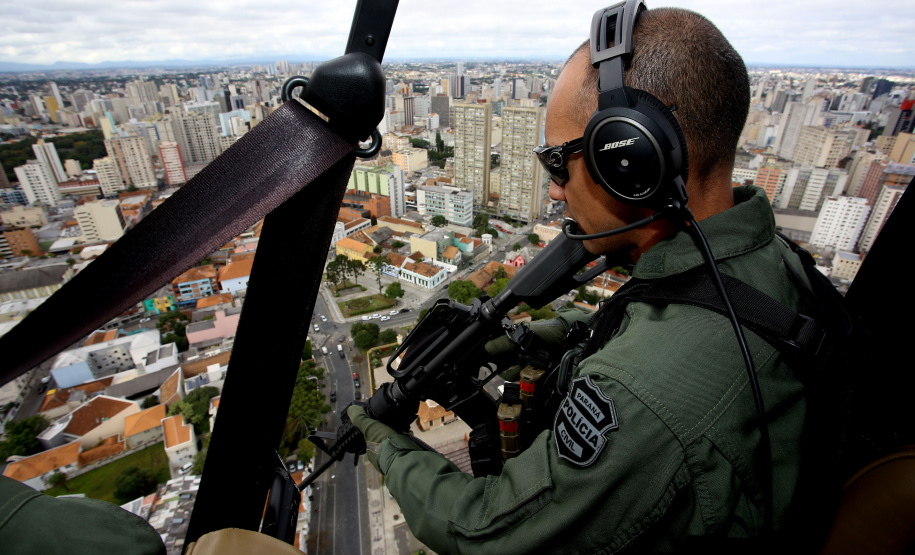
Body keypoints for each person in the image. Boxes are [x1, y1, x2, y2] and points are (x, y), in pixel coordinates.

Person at [349, 5, 813, 553]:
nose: (554, 191)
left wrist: (387, 446)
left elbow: (486, 532)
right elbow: (670, 318)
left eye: (558, 163)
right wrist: (557, 333)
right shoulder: (769, 258)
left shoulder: (639, 396)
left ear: (631, 161)